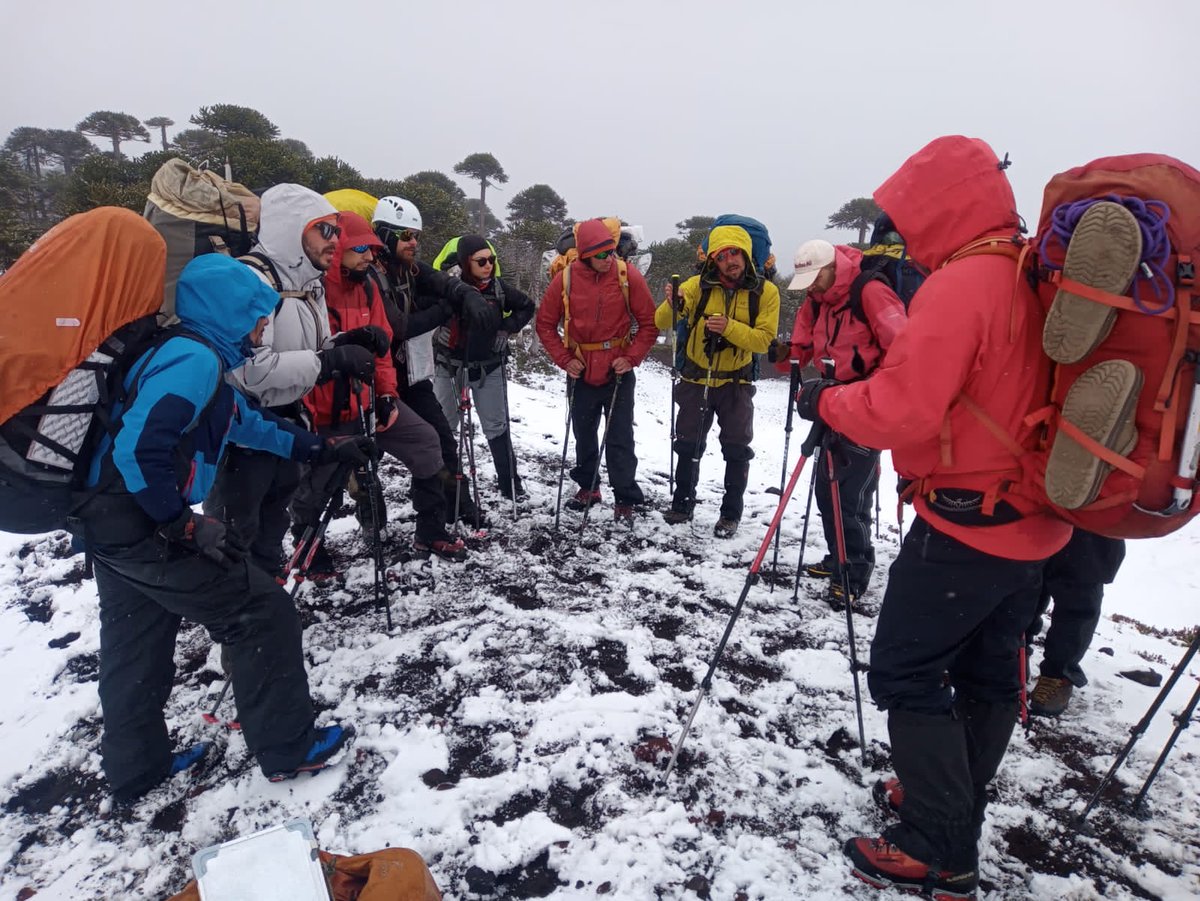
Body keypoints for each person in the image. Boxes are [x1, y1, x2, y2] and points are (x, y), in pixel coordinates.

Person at [794, 135, 1074, 897]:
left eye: (910, 213)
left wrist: (829, 401)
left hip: (966, 522)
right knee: (987, 672)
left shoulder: (964, 284)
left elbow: (902, 406)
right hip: (1037, 518)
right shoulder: (1027, 270)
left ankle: (937, 844)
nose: (904, 231)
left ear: (939, 204)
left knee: (906, 668)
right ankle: (951, 802)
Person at [76, 254, 374, 803]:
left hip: (106, 523)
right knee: (263, 612)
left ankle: (136, 768)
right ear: (229, 312)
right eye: (257, 317)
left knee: (134, 643)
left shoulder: (197, 358)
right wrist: (180, 526)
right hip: (140, 523)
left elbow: (244, 423)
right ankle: (288, 749)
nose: (263, 328)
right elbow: (139, 449)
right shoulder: (194, 361)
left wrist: (322, 446)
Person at [203, 184, 376, 574]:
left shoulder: (308, 280)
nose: (335, 241)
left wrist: (347, 343)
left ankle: (268, 609)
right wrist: (328, 362)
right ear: (290, 227)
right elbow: (249, 369)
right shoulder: (250, 279)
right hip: (240, 430)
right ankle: (240, 622)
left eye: (336, 231)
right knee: (234, 534)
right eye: (323, 230)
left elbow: (312, 344)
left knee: (272, 524)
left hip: (288, 419)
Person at [293, 211, 467, 562]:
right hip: (322, 408)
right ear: (338, 248)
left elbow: (383, 348)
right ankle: (308, 548)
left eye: (371, 249)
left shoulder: (368, 286)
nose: (370, 257)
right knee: (318, 482)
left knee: (426, 441)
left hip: (368, 400)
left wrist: (387, 394)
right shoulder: (310, 290)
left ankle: (431, 531)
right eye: (360, 249)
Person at [775, 238, 906, 600]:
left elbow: (904, 346)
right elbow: (801, 346)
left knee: (850, 493)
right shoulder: (817, 301)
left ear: (833, 268)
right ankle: (838, 557)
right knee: (826, 486)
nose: (813, 288)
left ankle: (855, 570)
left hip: (866, 401)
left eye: (817, 279)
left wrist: (880, 393)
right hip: (831, 399)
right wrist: (785, 356)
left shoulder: (870, 292)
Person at [371, 196, 498, 526]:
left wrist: (467, 295)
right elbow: (400, 325)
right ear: (384, 234)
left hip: (410, 375)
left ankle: (456, 504)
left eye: (416, 235)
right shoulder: (373, 275)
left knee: (440, 438)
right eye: (406, 236)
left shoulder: (409, 269)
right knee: (364, 457)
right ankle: (366, 509)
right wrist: (446, 309)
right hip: (375, 380)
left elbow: (444, 282)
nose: (414, 242)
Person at [655, 223, 780, 538]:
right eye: (722, 256)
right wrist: (673, 304)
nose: (730, 260)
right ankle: (682, 505)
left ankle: (730, 514)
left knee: (737, 449)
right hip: (696, 378)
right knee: (687, 444)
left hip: (736, 384)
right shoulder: (697, 285)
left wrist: (727, 328)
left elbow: (763, 342)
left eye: (735, 253)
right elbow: (662, 322)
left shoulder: (766, 292)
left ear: (746, 254)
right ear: (713, 260)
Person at [536, 218, 659, 524]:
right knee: (583, 432)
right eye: (602, 254)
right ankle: (588, 488)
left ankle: (625, 496)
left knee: (619, 437)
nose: (609, 259)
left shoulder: (625, 274)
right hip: (580, 369)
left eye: (611, 252)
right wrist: (565, 359)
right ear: (586, 254)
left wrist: (631, 358)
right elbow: (545, 325)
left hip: (618, 370)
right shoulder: (565, 279)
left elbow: (649, 322)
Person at [432, 235, 536, 503]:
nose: (488, 265)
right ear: (467, 262)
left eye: (491, 260)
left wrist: (507, 329)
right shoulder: (448, 287)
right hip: (449, 366)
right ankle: (444, 485)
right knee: (444, 427)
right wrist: (437, 332)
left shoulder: (499, 289)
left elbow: (527, 306)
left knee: (496, 426)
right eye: (481, 261)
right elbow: (424, 312)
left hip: (488, 367)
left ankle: (510, 485)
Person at [1027, 529, 1126, 716]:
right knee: (1025, 578)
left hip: (1094, 515)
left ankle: (1058, 675)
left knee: (1080, 586)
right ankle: (1013, 653)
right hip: (1040, 512)